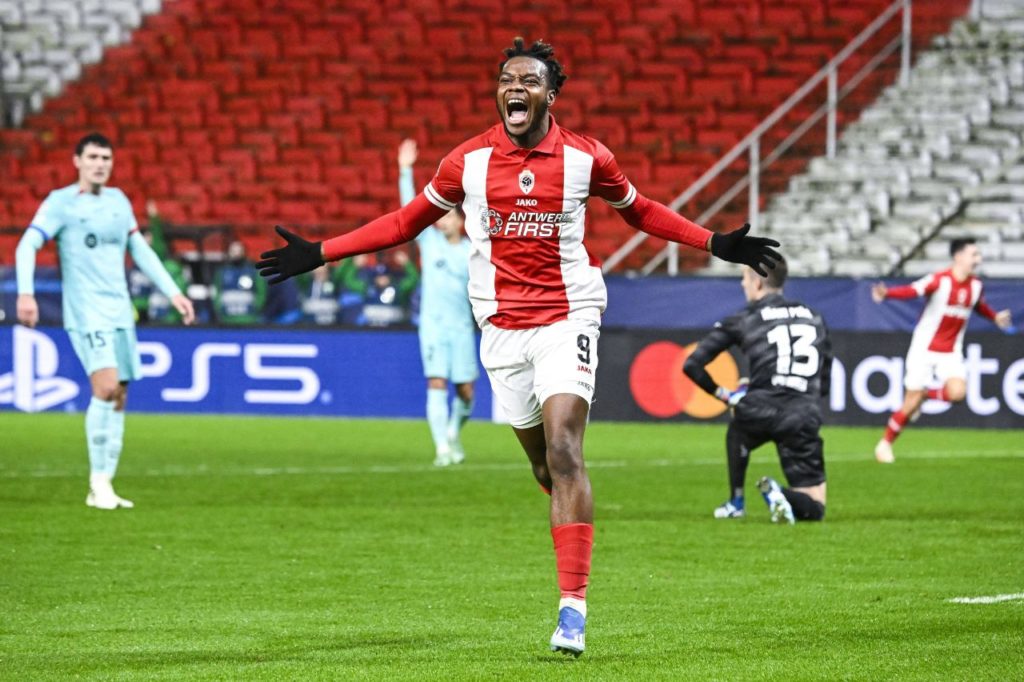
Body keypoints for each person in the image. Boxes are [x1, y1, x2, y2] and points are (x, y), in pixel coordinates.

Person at [257, 38, 780, 657]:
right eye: (507, 79)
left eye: (528, 81)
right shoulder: (467, 162)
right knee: (544, 465)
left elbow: (640, 212)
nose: (515, 87)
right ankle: (568, 505)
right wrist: (320, 251)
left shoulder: (588, 158)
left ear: (549, 96)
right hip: (501, 330)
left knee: (564, 447)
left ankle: (573, 609)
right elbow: (404, 224)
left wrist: (714, 242)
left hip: (570, 314)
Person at [15, 132, 195, 509]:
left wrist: (172, 291)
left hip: (119, 309)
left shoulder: (118, 201)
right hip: (86, 311)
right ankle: (98, 484)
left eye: (106, 158)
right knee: (106, 387)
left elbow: (139, 249)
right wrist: (26, 292)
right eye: (93, 157)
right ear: (77, 161)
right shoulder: (60, 203)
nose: (100, 164)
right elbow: (27, 244)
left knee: (120, 394)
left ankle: (105, 484)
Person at [683, 258, 831, 524]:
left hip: (758, 409)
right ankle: (778, 492)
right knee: (815, 507)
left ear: (758, 282)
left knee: (738, 427)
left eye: (745, 278)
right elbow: (825, 378)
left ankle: (736, 502)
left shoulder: (744, 319)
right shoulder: (814, 316)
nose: (742, 283)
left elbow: (692, 364)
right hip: (801, 414)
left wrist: (727, 396)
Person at [871, 238, 1012, 463]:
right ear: (959, 256)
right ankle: (885, 444)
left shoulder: (976, 286)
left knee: (957, 393)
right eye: (974, 254)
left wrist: (994, 317)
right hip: (923, 349)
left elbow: (978, 306)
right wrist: (887, 293)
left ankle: (926, 395)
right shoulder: (939, 280)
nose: (978, 259)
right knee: (909, 404)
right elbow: (913, 290)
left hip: (951, 351)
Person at [397, 138, 478, 467]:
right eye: (439, 216)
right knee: (436, 382)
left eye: (448, 215)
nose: (441, 219)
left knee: (466, 393)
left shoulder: (473, 250)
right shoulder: (429, 244)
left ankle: (452, 433)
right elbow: (409, 210)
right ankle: (441, 448)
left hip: (461, 328)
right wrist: (405, 171)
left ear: (460, 220)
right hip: (432, 327)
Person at [212, 240, 267, 324]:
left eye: (239, 251)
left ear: (244, 252)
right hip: (227, 319)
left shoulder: (253, 271)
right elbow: (216, 291)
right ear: (228, 252)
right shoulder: (222, 272)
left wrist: (256, 307)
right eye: (233, 251)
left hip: (249, 319)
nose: (236, 254)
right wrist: (219, 308)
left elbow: (262, 292)